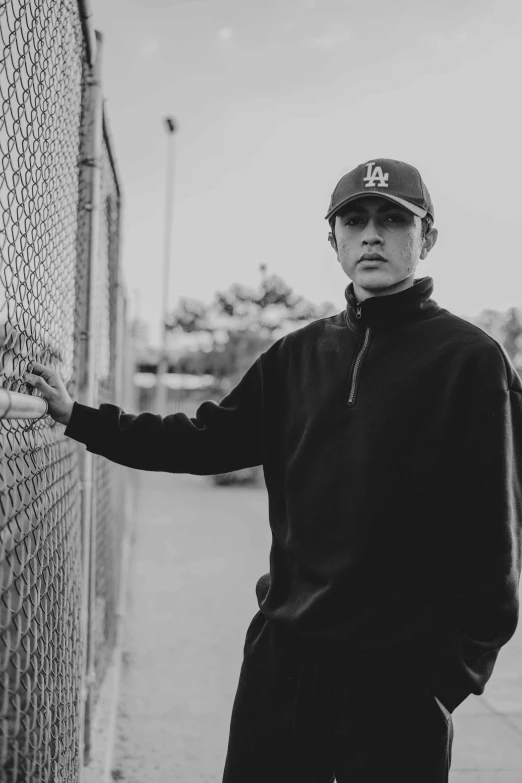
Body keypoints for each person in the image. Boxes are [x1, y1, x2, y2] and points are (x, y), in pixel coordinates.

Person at [25, 158, 522, 783]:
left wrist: (450, 673)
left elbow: (495, 530)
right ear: (334, 239)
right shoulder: (296, 355)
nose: (373, 235)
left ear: (426, 239)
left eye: (394, 220)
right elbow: (203, 440)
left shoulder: (471, 362)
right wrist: (81, 419)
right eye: (356, 220)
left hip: (399, 675)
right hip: (284, 662)